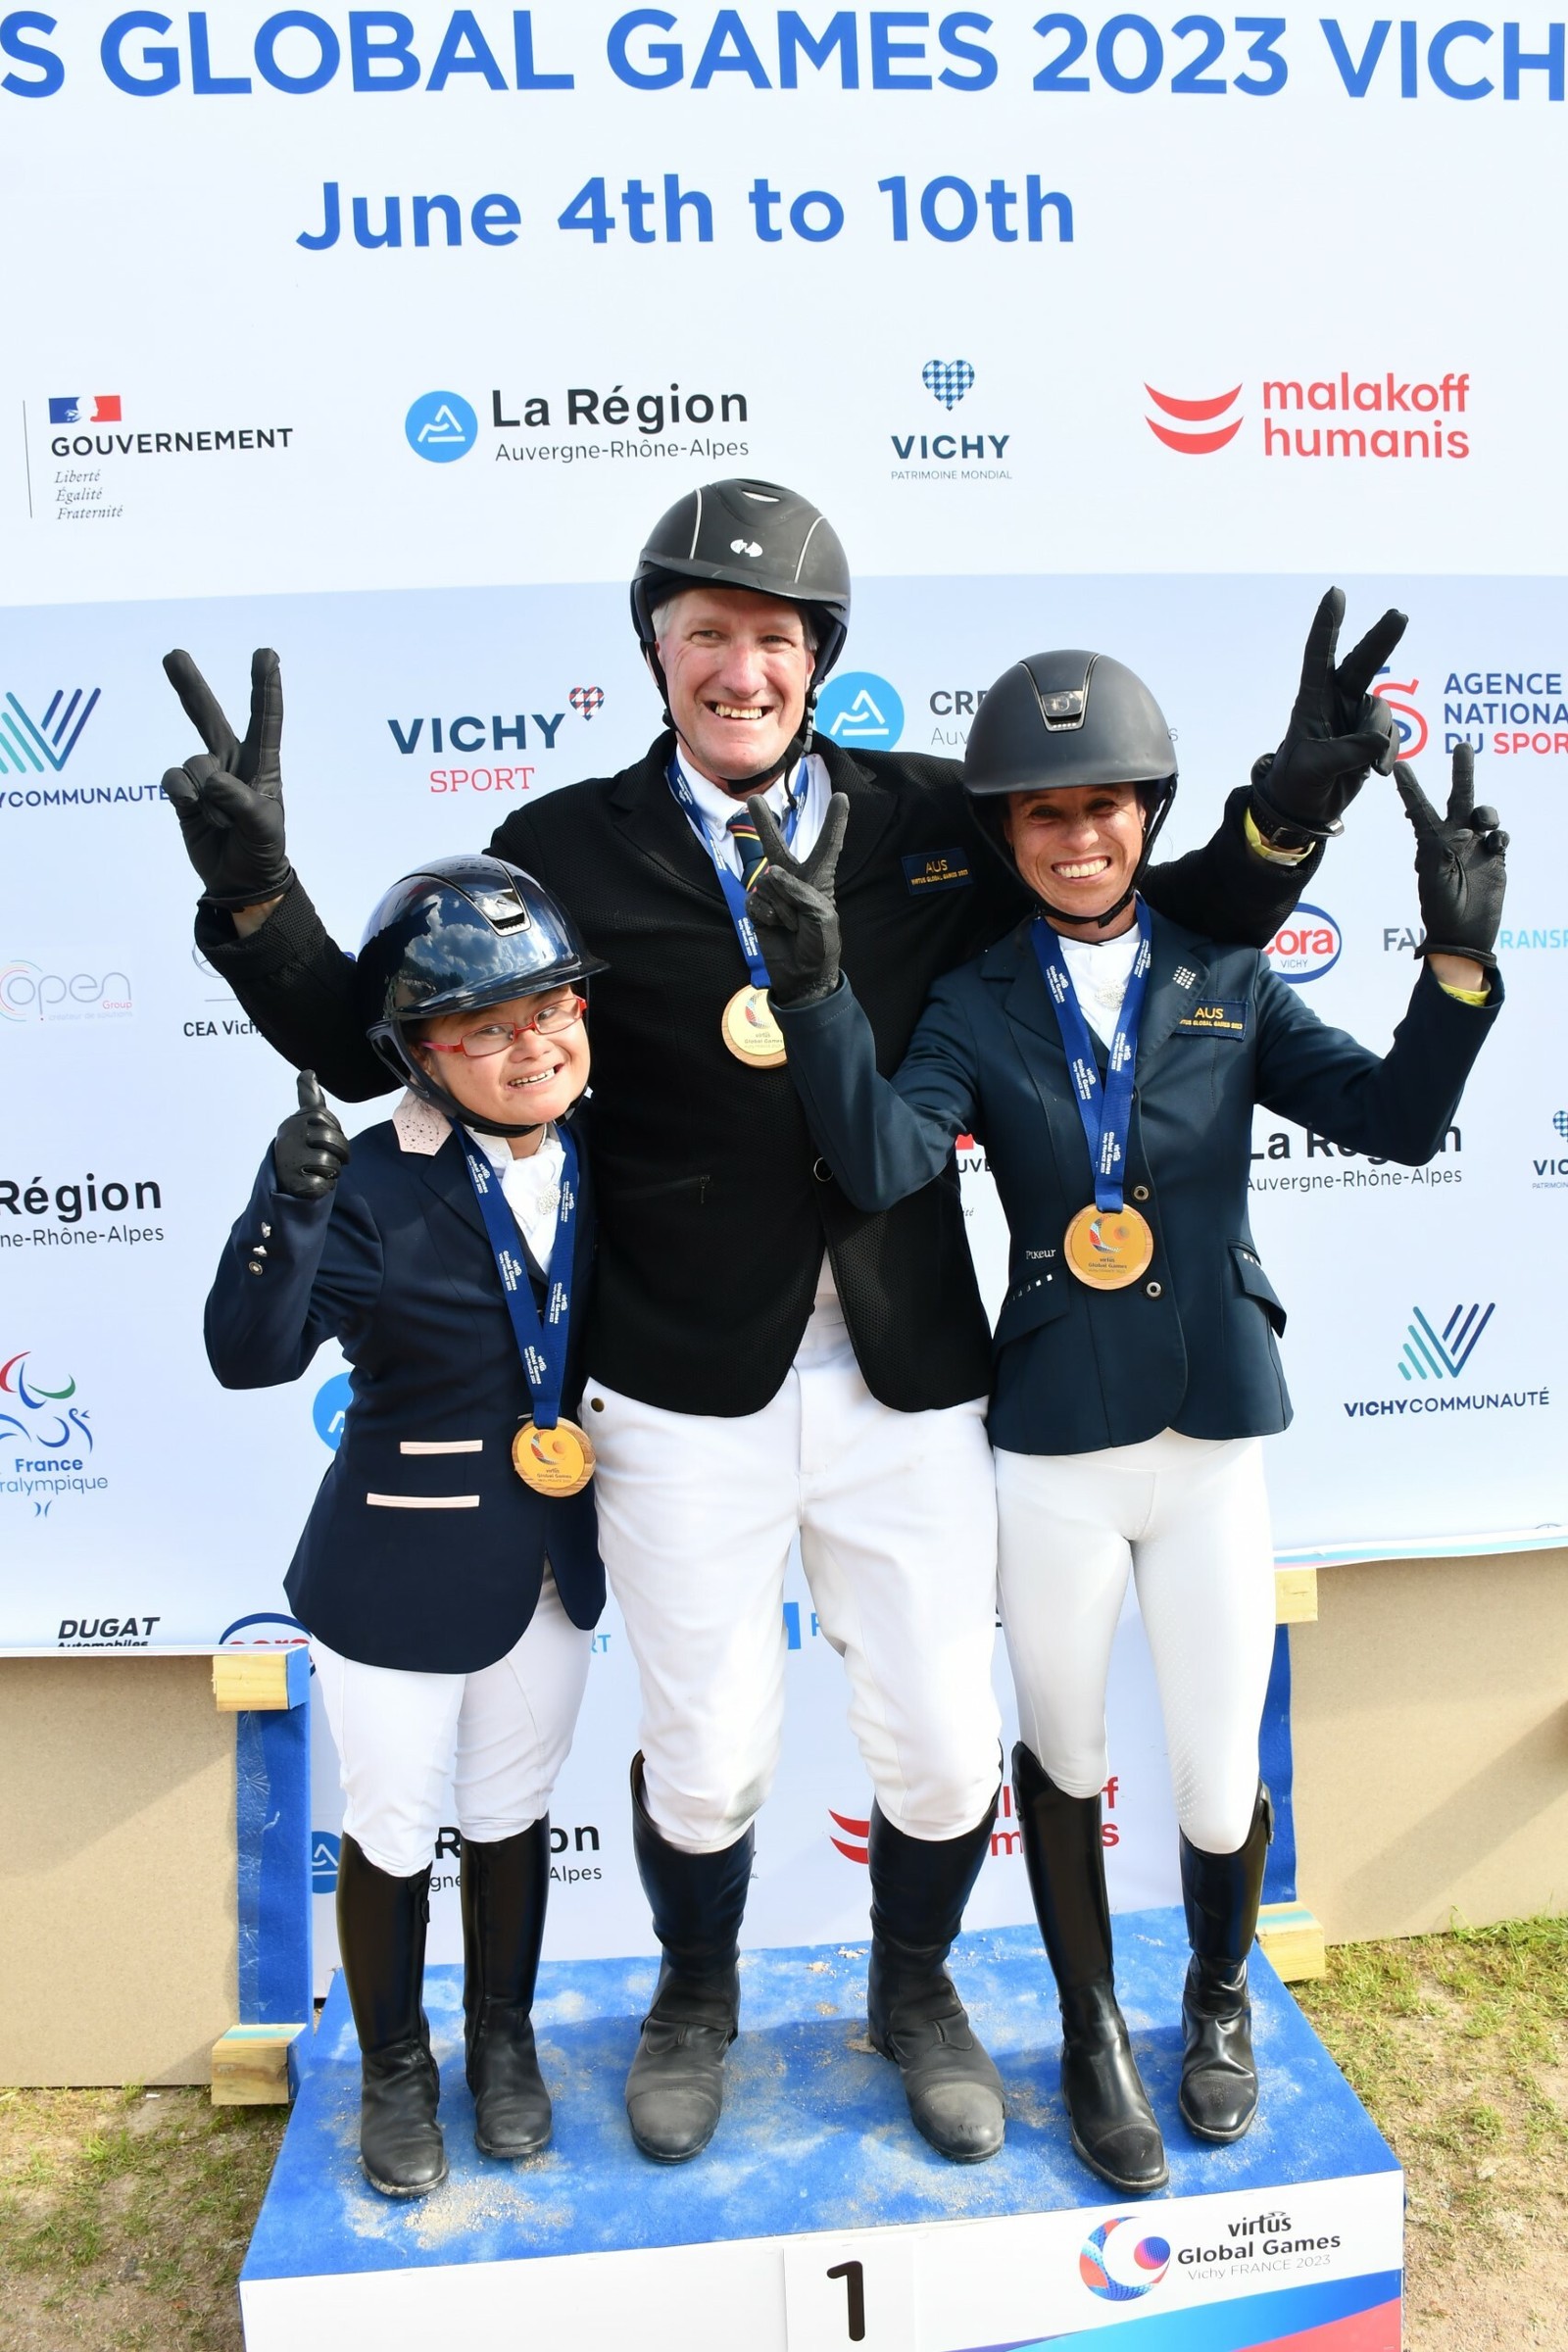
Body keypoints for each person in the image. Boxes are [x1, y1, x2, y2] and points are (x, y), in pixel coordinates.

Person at [162, 480, 1400, 2170]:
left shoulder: (933, 821)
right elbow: (392, 1036)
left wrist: (1282, 816)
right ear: (654, 653)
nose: (738, 667)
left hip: (908, 1368)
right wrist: (258, 904)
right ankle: (694, 1996)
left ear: (821, 659)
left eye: (773, 638)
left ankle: (919, 1993)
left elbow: (1143, 913)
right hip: (679, 1378)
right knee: (710, 1749)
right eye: (704, 637)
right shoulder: (569, 846)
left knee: (951, 1740)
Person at [746, 658, 1505, 2195]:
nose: (1075, 838)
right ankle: (1091, 2031)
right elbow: (890, 1162)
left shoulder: (1227, 973)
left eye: (1101, 808)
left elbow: (1398, 1121)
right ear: (1009, 837)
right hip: (1053, 1444)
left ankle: (1214, 2005)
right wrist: (818, 997)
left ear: (1149, 816)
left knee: (1220, 1774)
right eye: (1042, 817)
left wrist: (1453, 967)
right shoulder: (971, 998)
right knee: (1070, 1757)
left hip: (1214, 1430)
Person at [205, 853, 606, 2198]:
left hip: (553, 1568)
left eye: (550, 1006)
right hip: (397, 1572)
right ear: (421, 1053)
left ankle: (504, 2051)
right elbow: (251, 1356)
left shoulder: (622, 1157)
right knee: (391, 1833)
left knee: (511, 1818)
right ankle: (391, 2067)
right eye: (484, 1028)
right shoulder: (373, 1184)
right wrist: (289, 1210)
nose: (529, 1044)